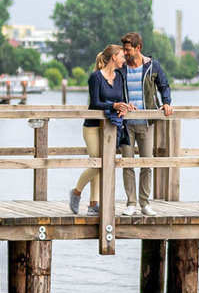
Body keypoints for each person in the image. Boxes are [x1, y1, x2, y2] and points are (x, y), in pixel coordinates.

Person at [112, 31, 173, 216]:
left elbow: (164, 85)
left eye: (128, 49)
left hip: (146, 122)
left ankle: (145, 203)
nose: (125, 52)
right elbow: (113, 90)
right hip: (126, 123)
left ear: (138, 48)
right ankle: (131, 203)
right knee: (127, 163)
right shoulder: (121, 68)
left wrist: (167, 102)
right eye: (124, 48)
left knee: (147, 163)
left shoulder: (152, 66)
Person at [69, 44, 127, 215]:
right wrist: (114, 105)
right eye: (122, 56)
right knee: (97, 162)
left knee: (102, 162)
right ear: (114, 57)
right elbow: (95, 103)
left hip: (109, 127)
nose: (124, 60)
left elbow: (121, 98)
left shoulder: (120, 77)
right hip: (93, 126)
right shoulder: (95, 77)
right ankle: (77, 192)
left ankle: (94, 204)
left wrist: (124, 106)